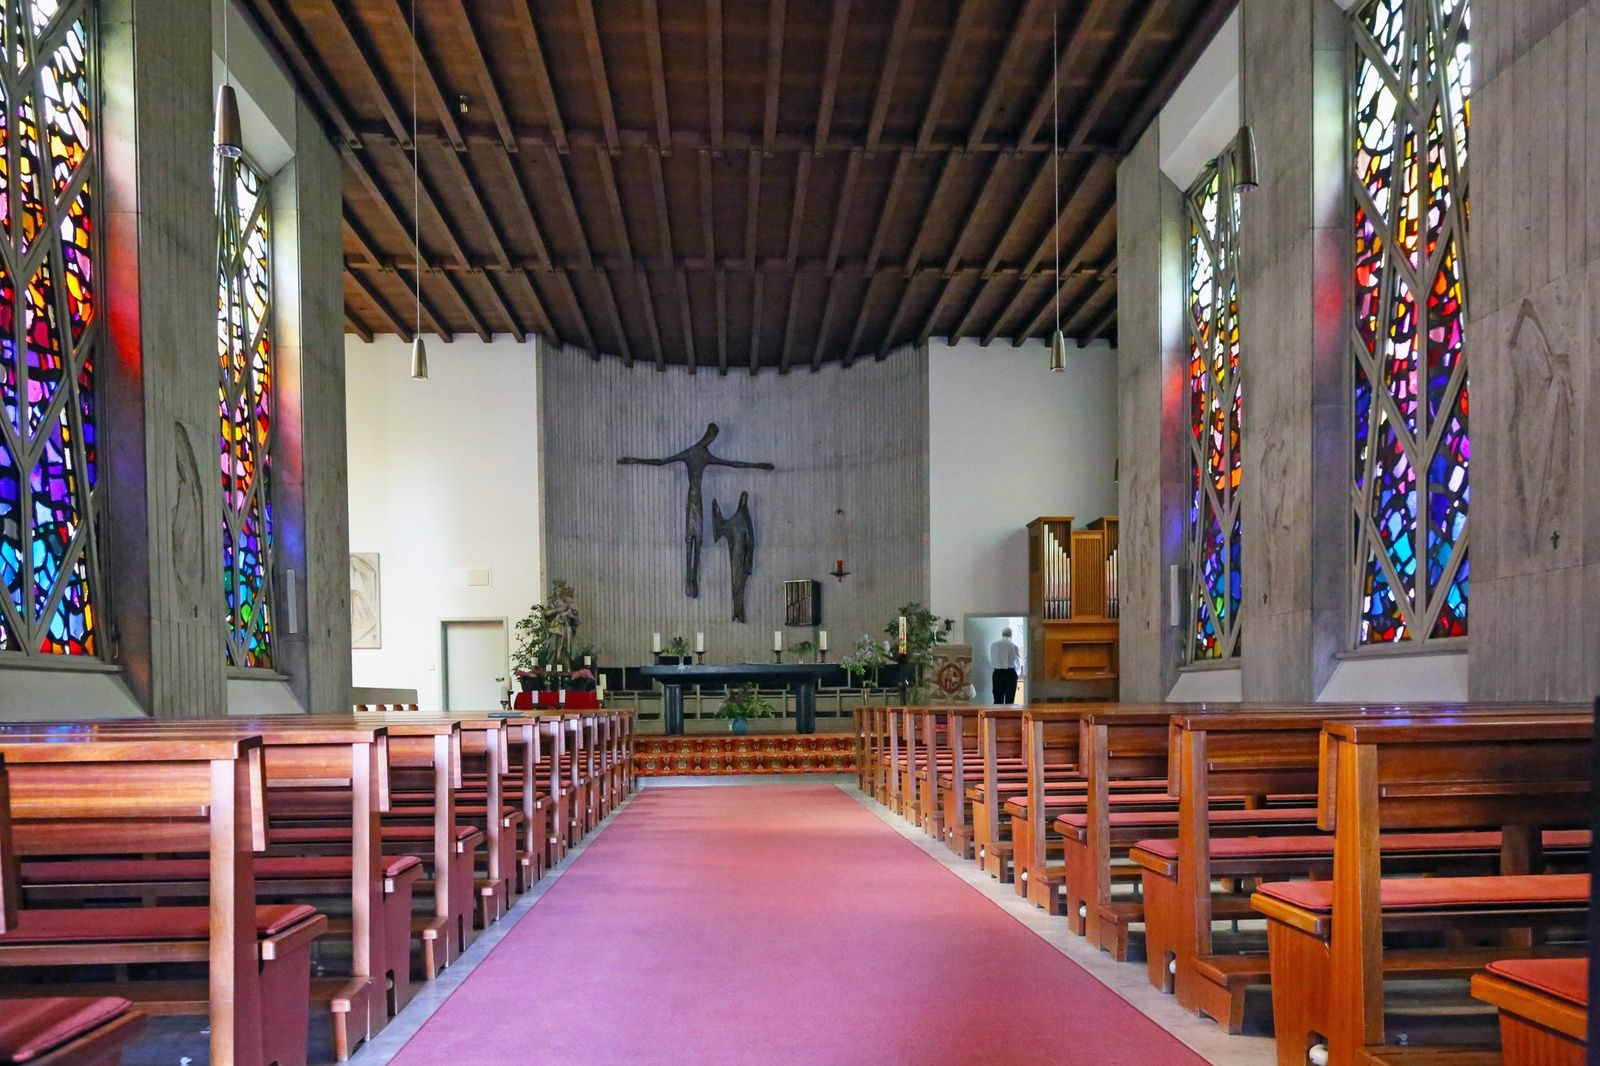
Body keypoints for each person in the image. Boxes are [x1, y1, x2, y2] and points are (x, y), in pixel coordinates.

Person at [990, 627, 1023, 704]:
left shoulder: (994, 645)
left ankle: (998, 712)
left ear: (1002, 634)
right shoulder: (1014, 646)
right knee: (1010, 700)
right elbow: (1018, 661)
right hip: (1010, 674)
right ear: (1011, 635)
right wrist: (1017, 673)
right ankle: (1008, 712)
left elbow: (992, 659)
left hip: (998, 673)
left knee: (997, 699)